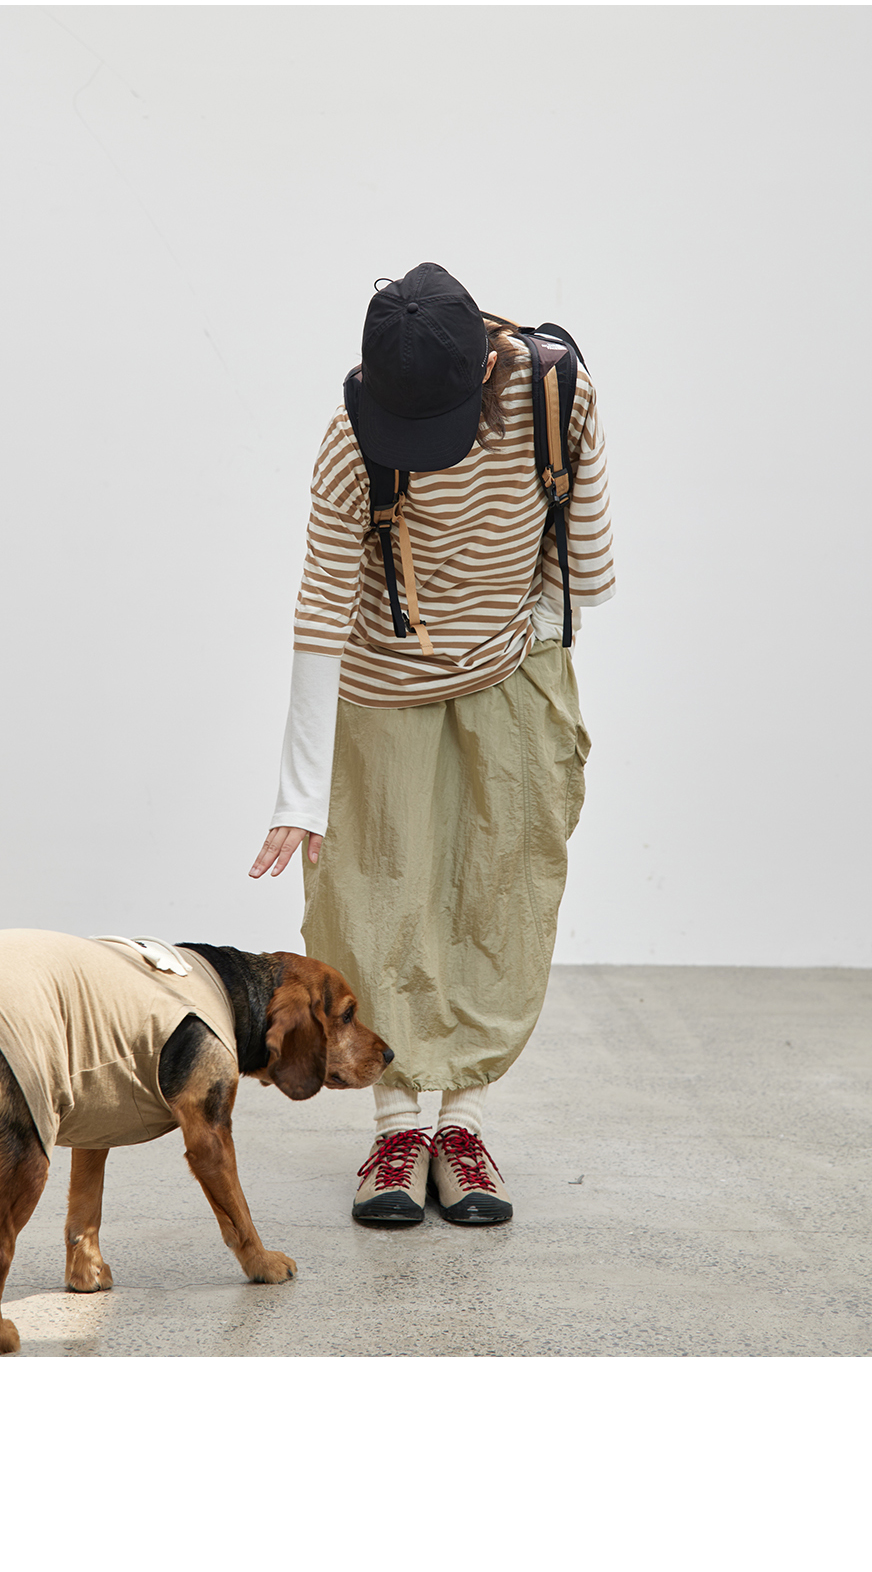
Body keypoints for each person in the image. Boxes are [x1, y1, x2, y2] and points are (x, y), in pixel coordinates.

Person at [250, 262, 613, 1228]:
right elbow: (320, 609)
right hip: (381, 687)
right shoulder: (351, 438)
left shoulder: (554, 398)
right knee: (371, 900)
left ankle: (463, 1123)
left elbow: (583, 562)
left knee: (501, 891)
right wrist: (300, 792)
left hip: (511, 673)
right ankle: (396, 1126)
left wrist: (532, 666)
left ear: (486, 370)